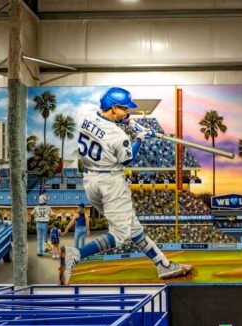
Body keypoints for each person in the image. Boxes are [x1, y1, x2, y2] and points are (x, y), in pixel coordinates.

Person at [59, 87, 193, 284]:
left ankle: (162, 265)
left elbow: (106, 121)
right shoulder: (117, 136)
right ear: (114, 108)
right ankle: (77, 254)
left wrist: (130, 122)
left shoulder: (84, 113)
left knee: (133, 228)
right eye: (125, 108)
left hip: (90, 181)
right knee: (120, 234)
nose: (128, 111)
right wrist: (140, 137)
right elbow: (127, 160)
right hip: (111, 184)